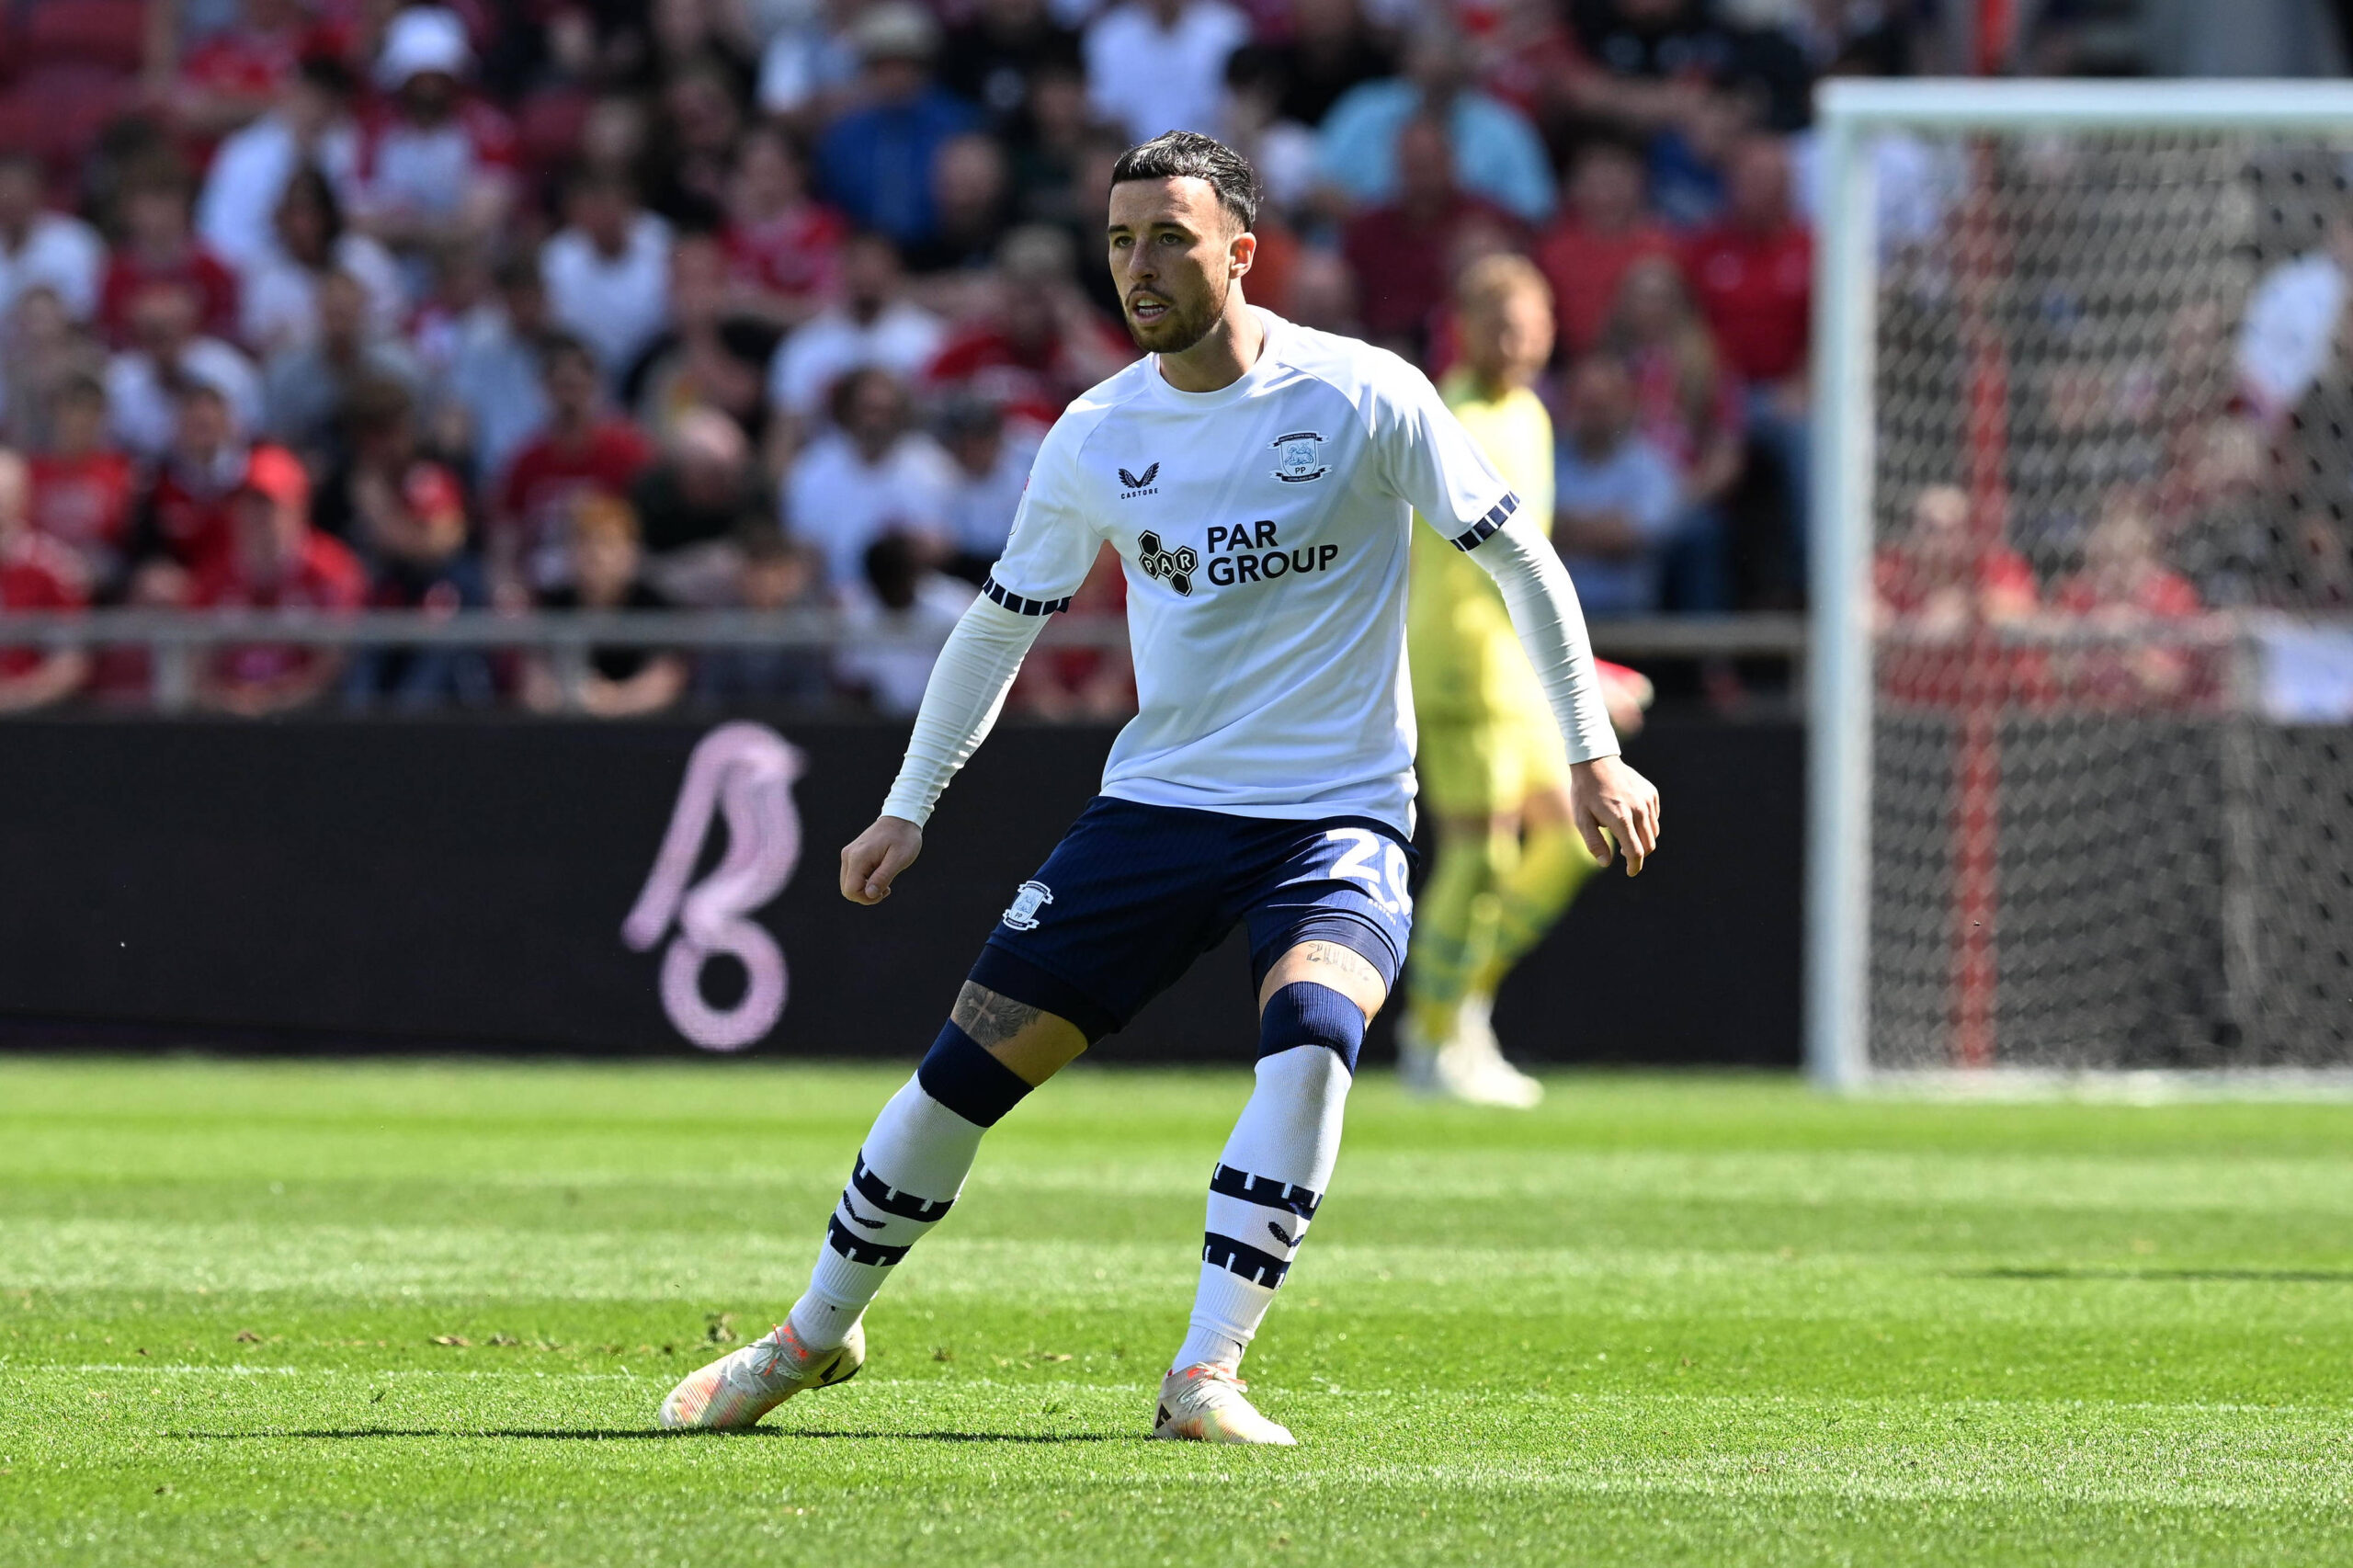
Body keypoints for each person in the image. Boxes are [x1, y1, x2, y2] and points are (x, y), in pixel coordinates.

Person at [655, 131, 1658, 1445]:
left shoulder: (1362, 396)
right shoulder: (1096, 433)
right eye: (1121, 239)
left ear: (1242, 251)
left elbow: (1522, 561)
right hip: (1159, 810)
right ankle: (809, 1333)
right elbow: (1002, 623)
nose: (1139, 264)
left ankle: (1204, 1374)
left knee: (1314, 1037)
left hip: (1337, 812)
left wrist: (1590, 746)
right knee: (963, 1077)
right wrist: (910, 800)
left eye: (1169, 237)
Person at [1399, 256, 1657, 1108]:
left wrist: (1580, 675)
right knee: (1477, 857)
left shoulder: (1531, 417)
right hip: (1459, 669)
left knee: (1570, 843)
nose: (1517, 341)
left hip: (1515, 673)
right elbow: (1479, 573)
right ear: (1464, 328)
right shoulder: (1449, 418)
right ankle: (1431, 1042)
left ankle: (1461, 1007)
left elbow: (1531, 569)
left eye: (1531, 324)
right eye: (1499, 324)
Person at [189, 445, 369, 717]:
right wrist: (233, 702)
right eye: (247, 504)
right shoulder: (215, 572)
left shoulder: (332, 569)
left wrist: (277, 701)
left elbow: (336, 662)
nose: (255, 517)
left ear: (298, 508)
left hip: (311, 720)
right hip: (228, 720)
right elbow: (195, 663)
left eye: (268, 505)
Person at [523, 494, 689, 718]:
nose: (595, 555)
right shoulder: (553, 604)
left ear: (631, 552)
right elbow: (534, 684)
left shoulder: (656, 605)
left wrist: (611, 701)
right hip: (567, 732)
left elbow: (666, 680)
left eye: (607, 543)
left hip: (643, 733)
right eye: (584, 543)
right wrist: (571, 696)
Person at [835, 530, 981, 714]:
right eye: (886, 583)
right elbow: (852, 680)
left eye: (900, 579)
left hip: (948, 717)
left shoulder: (954, 608)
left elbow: (975, 676)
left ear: (915, 575)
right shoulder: (855, 614)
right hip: (877, 724)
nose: (895, 590)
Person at [0, 449, 92, 715]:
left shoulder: (53, 567)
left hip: (32, 718)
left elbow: (72, 662)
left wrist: (15, 698)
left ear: (22, 500)